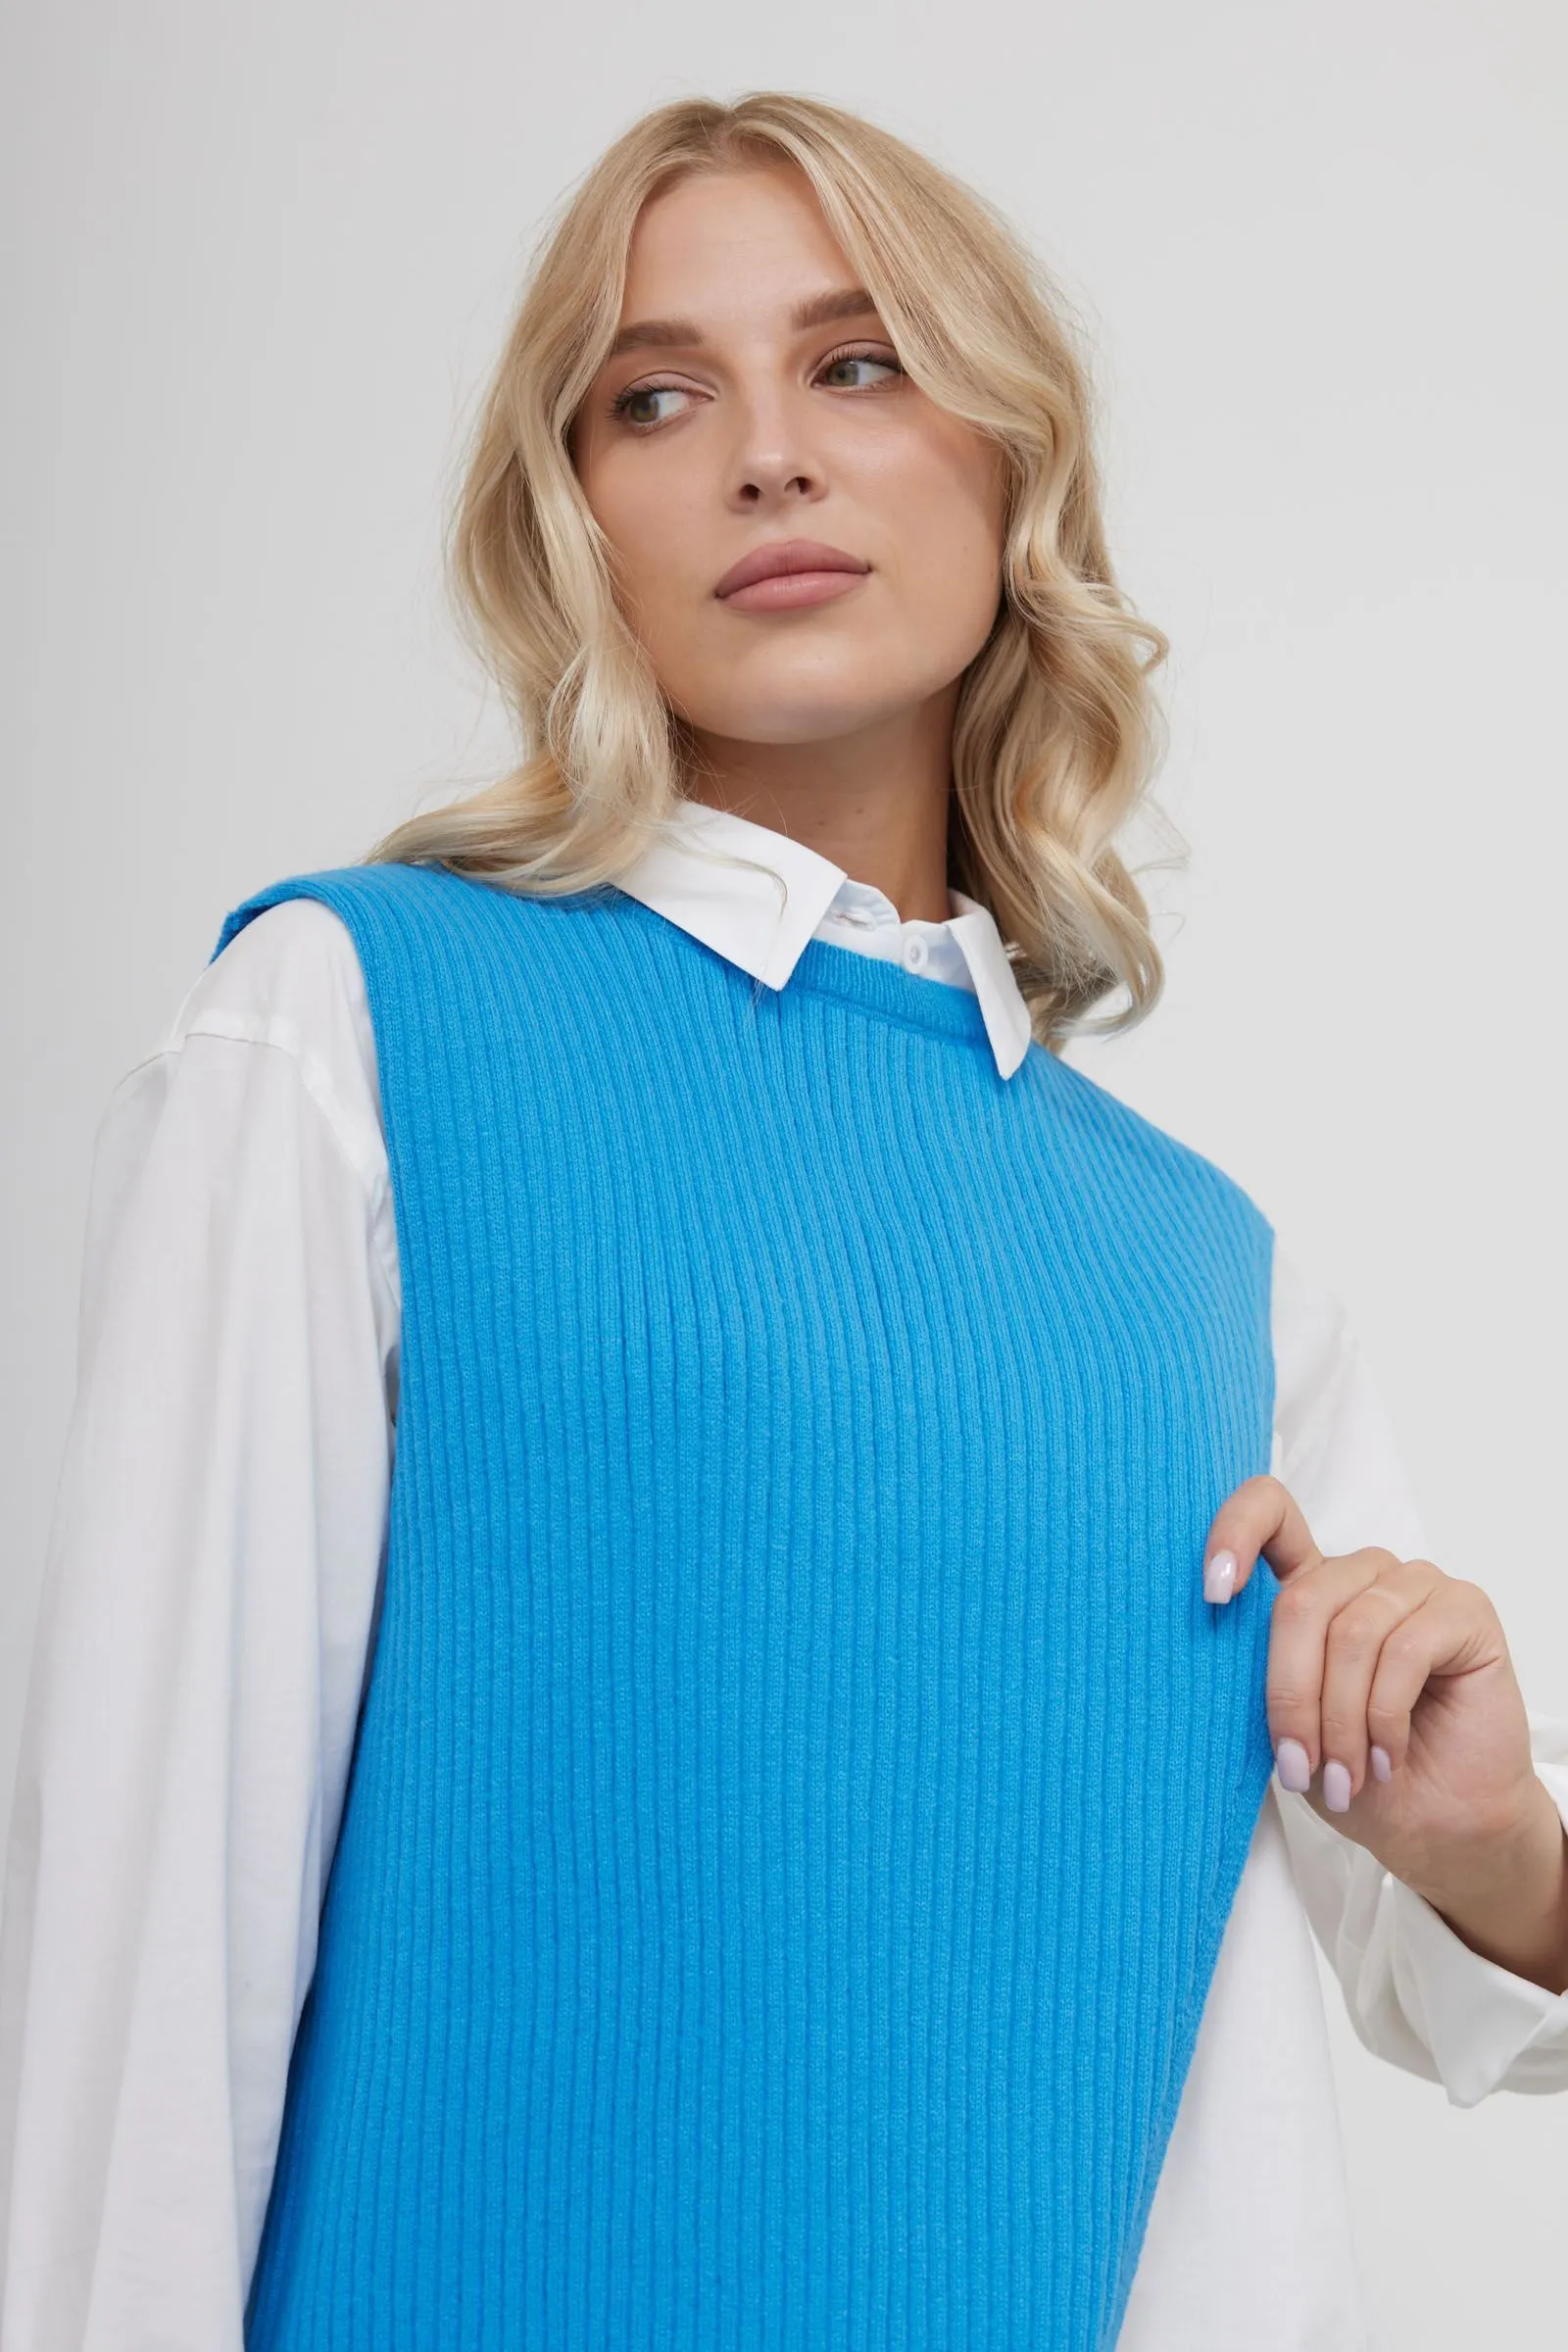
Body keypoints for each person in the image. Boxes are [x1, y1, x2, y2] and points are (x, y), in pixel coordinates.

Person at [1, 88, 1565, 2352]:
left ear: (1007, 461)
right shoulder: (349, 1025)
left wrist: (1496, 1839)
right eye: (654, 398)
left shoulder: (1206, 1272)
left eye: (856, 363)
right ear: (573, 517)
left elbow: (1460, 1990)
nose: (763, 455)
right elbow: (147, 1971)